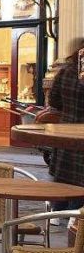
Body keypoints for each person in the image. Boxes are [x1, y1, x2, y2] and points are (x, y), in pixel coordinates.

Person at [47, 40, 84, 210]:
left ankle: (56, 214)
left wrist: (68, 110)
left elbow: (53, 100)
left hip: (65, 132)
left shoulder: (66, 71)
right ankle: (75, 217)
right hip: (80, 136)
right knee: (80, 182)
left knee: (63, 179)